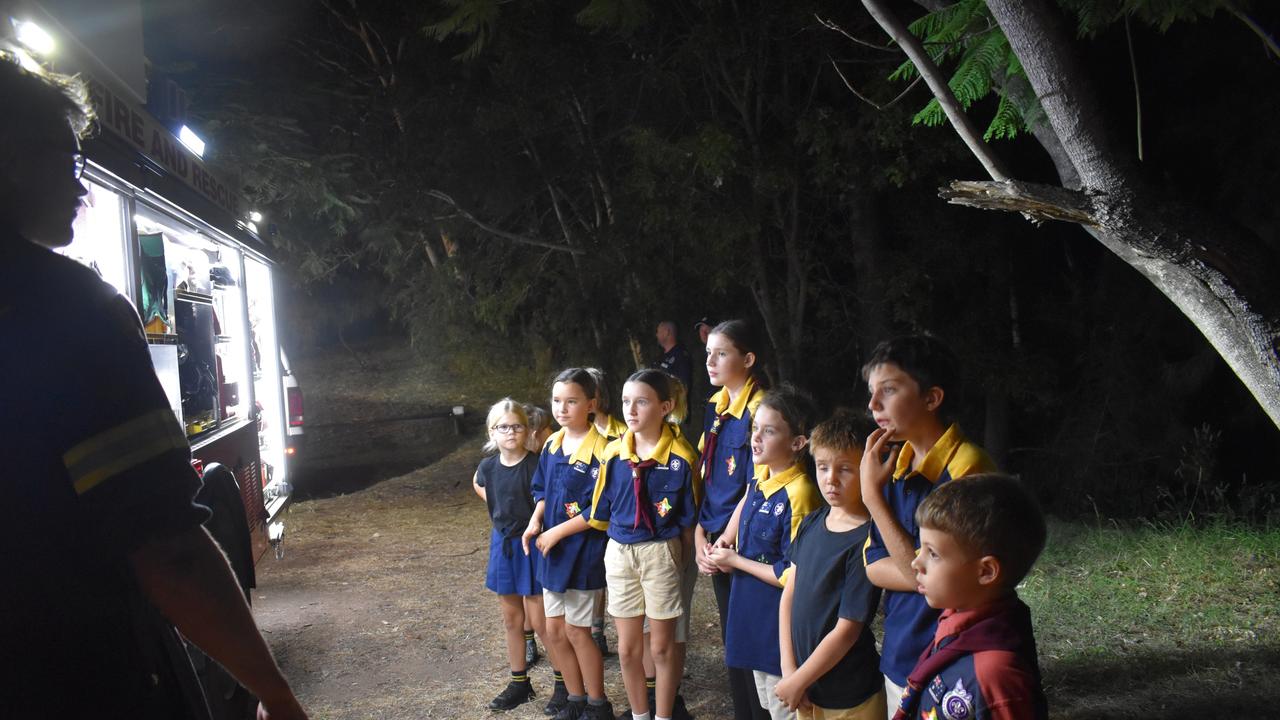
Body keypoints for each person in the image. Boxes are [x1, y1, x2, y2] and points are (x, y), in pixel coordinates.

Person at [0, 59, 307, 719]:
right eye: (71, 162)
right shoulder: (69, 309)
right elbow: (166, 546)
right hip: (74, 679)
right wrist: (276, 693)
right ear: (13, 161)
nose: (82, 189)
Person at [858, 336, 996, 717]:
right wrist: (922, 568)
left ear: (932, 398)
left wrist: (872, 498)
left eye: (888, 390)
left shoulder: (967, 469)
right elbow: (873, 565)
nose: (873, 405)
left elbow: (949, 583)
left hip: (952, 662)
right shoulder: (897, 463)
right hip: (902, 652)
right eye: (872, 392)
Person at [587, 369, 701, 720]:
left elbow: (688, 519)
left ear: (665, 406)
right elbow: (600, 512)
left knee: (663, 647)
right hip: (620, 553)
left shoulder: (683, 458)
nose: (631, 410)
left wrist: (680, 561)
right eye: (625, 402)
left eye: (641, 401)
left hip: (661, 552)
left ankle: (663, 716)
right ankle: (639, 715)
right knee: (627, 650)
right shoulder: (611, 456)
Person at [708, 386, 822, 720]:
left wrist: (735, 561)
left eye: (769, 431)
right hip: (750, 613)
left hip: (778, 625)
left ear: (798, 443)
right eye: (754, 428)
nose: (755, 438)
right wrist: (725, 541)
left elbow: (792, 573)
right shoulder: (763, 475)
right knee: (764, 707)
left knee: (783, 708)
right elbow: (746, 501)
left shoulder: (800, 492)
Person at [895, 474, 1048, 720]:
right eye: (921, 547)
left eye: (932, 553)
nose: (916, 562)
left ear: (985, 572)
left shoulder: (997, 676)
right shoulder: (958, 617)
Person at [777, 410, 885, 720]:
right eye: (823, 467)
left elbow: (848, 629)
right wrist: (790, 670)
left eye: (845, 469)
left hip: (850, 697)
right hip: (806, 688)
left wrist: (798, 679)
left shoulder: (868, 537)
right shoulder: (812, 522)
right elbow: (789, 593)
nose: (830, 479)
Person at [523, 369, 615, 720]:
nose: (562, 408)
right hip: (551, 550)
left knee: (578, 631)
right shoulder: (552, 444)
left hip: (582, 552)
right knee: (553, 629)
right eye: (557, 401)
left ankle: (598, 704)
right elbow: (543, 490)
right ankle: (575, 699)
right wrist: (536, 521)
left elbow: (600, 510)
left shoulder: (606, 450)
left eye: (572, 401)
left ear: (591, 404)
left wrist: (557, 532)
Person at [693, 319, 769, 720]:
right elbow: (708, 471)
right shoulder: (715, 406)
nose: (711, 360)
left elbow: (760, 483)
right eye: (709, 352)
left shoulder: (762, 409)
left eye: (722, 353)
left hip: (747, 540)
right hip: (716, 538)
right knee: (732, 640)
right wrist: (701, 534)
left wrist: (726, 537)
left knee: (756, 640)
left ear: (749, 359)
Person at [473, 399, 551, 711]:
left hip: (530, 546)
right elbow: (481, 485)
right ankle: (520, 682)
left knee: (541, 622)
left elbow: (546, 500)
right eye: (503, 427)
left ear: (526, 429)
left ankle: (563, 684)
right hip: (503, 545)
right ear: (492, 431)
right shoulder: (487, 467)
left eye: (516, 426)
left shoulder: (536, 465)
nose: (510, 432)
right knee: (511, 619)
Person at [654, 321, 693, 396]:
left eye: (658, 332)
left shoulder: (681, 356)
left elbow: (684, 387)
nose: (657, 335)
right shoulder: (660, 357)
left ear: (666, 332)